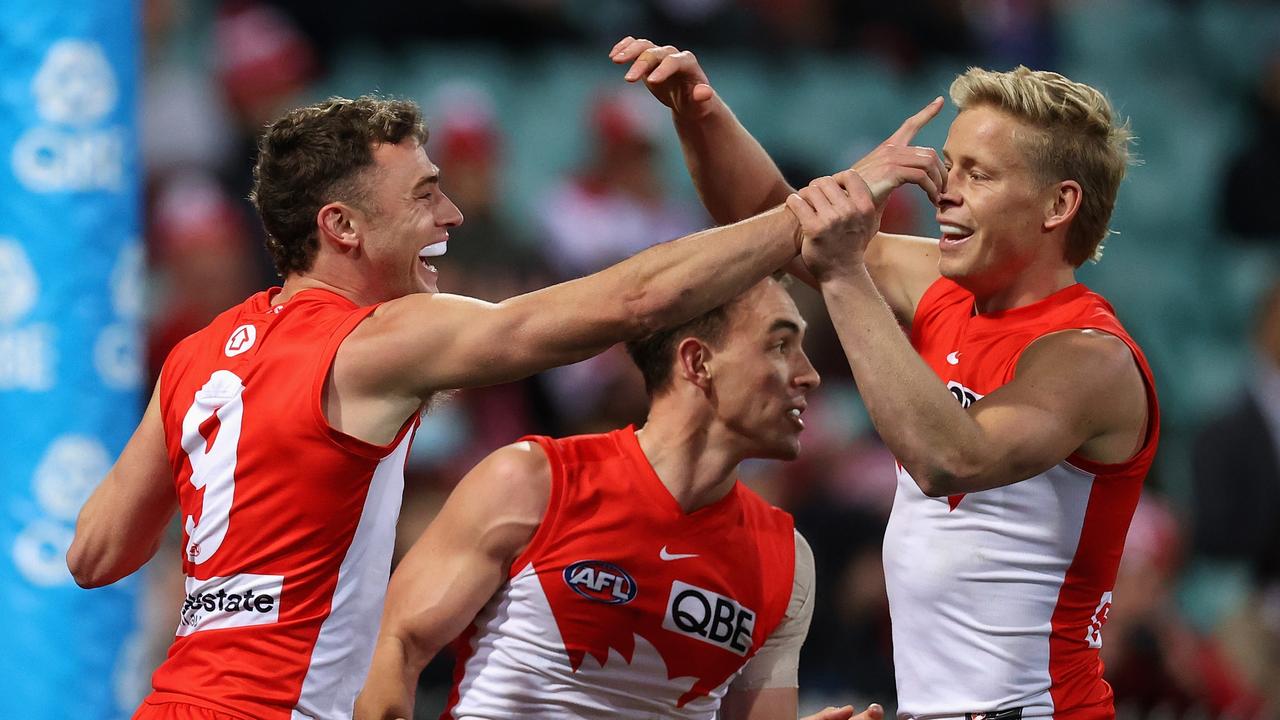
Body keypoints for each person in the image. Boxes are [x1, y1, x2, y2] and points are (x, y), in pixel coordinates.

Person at [65, 95, 869, 720]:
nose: (451, 218)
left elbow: (95, 554)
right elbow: (634, 301)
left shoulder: (199, 355)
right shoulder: (376, 340)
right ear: (341, 226)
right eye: (424, 196)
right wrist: (802, 217)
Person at [612, 38, 1160, 719]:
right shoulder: (942, 285)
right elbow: (780, 216)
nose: (945, 192)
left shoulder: (1090, 357)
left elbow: (949, 457)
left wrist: (843, 272)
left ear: (1059, 205)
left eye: (979, 176)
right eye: (949, 167)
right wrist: (700, 114)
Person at [354, 276, 881, 720]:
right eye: (780, 345)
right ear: (698, 363)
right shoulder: (535, 481)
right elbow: (393, 649)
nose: (809, 375)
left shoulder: (789, 563)